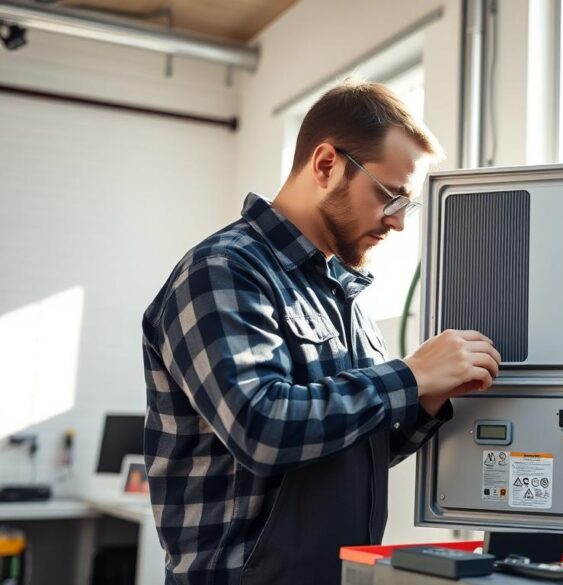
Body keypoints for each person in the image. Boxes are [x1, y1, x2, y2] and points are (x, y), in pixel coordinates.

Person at [142, 79, 501, 585]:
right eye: (389, 196)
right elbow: (261, 428)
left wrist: (424, 400)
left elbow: (353, 448)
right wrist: (409, 376)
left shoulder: (340, 293)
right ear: (327, 164)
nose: (397, 223)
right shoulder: (222, 270)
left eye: (407, 205)